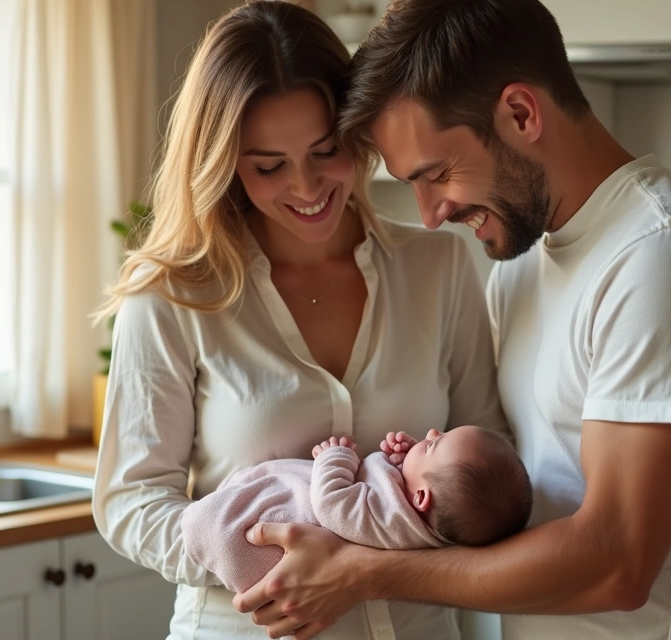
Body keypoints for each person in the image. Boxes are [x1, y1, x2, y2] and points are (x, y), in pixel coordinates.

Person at [231, 0, 671, 639]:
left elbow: (617, 566)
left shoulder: (666, 257)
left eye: (436, 174)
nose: (431, 213)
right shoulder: (522, 264)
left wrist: (361, 571)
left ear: (521, 114)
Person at [90, 2, 510, 639]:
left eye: (326, 150)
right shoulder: (171, 295)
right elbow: (130, 501)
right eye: (269, 165)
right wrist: (258, 562)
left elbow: (485, 461)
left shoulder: (438, 266)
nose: (308, 187)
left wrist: (359, 568)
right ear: (224, 160)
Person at [182, 428, 532, 594]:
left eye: (435, 443)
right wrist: (409, 460)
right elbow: (393, 487)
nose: (431, 432)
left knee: (227, 517)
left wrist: (335, 458)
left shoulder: (391, 518)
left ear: (421, 498)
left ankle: (209, 524)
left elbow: (333, 504)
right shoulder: (420, 519)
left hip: (282, 532)